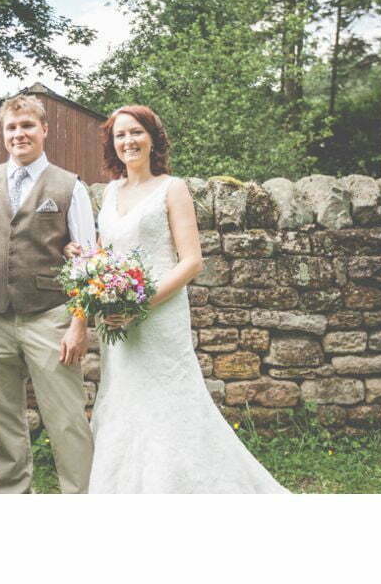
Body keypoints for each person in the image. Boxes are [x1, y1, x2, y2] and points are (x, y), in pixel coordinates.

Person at [85, 106, 287, 493]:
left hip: (158, 316)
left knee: (168, 406)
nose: (128, 141)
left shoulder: (171, 188)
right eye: (120, 135)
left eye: (136, 132)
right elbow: (104, 253)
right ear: (113, 144)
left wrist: (137, 306)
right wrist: (93, 277)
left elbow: (192, 261)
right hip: (118, 322)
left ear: (153, 137)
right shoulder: (110, 193)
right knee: (126, 404)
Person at [0, 94, 96, 494]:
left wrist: (79, 324)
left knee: (67, 417)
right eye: (12, 128)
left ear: (44, 130)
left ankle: (79, 494)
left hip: (50, 315)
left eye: (27, 126)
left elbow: (87, 258)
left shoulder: (70, 186)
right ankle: (15, 494)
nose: (19, 134)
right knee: (5, 418)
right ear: (3, 134)